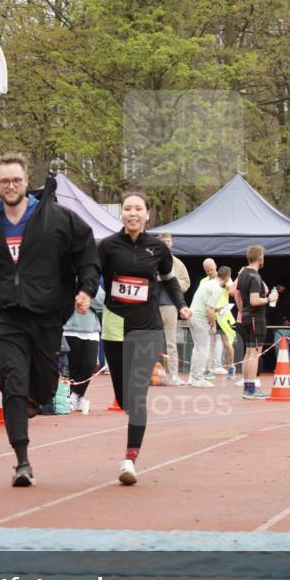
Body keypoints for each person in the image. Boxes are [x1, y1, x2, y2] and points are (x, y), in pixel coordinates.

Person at [0, 153, 100, 488]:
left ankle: (34, 399)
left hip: (47, 316)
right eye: (4, 181)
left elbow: (85, 253)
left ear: (26, 183)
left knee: (42, 387)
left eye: (16, 180)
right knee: (12, 382)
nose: (10, 186)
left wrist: (86, 289)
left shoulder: (56, 218)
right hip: (7, 315)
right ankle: (22, 461)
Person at [98, 191, 192, 486]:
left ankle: (129, 459)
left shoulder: (158, 249)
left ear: (147, 214)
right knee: (125, 397)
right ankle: (130, 415)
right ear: (122, 214)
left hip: (148, 327)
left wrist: (181, 305)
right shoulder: (108, 246)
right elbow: (89, 274)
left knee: (138, 396)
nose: (133, 213)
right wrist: (84, 293)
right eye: (127, 208)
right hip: (114, 325)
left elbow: (170, 280)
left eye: (138, 208)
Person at [236, 244, 277, 400]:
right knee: (255, 353)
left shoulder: (243, 274)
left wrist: (241, 311)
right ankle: (251, 389)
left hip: (246, 317)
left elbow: (237, 296)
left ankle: (248, 388)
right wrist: (269, 299)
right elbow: (254, 300)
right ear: (260, 258)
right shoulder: (254, 276)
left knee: (249, 352)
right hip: (255, 317)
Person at [187, 266, 231, 387]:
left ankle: (192, 377)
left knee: (197, 348)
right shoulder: (217, 289)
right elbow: (209, 310)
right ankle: (198, 378)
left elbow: (207, 306)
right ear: (227, 277)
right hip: (200, 319)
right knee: (203, 349)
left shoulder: (207, 284)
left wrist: (217, 309)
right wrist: (213, 325)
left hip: (192, 315)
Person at [63, 286, 104, 412]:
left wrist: (85, 297)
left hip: (91, 329)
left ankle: (74, 396)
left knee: (89, 365)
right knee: (74, 367)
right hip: (70, 329)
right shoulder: (66, 280)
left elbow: (101, 301)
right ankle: (76, 398)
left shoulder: (91, 282)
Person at [157, 232, 190, 385]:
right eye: (164, 241)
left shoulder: (178, 263)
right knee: (151, 340)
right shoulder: (151, 261)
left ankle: (174, 375)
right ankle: (152, 374)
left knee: (171, 341)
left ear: (172, 243)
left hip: (170, 304)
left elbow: (186, 283)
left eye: (169, 241)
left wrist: (172, 282)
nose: (167, 243)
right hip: (152, 304)